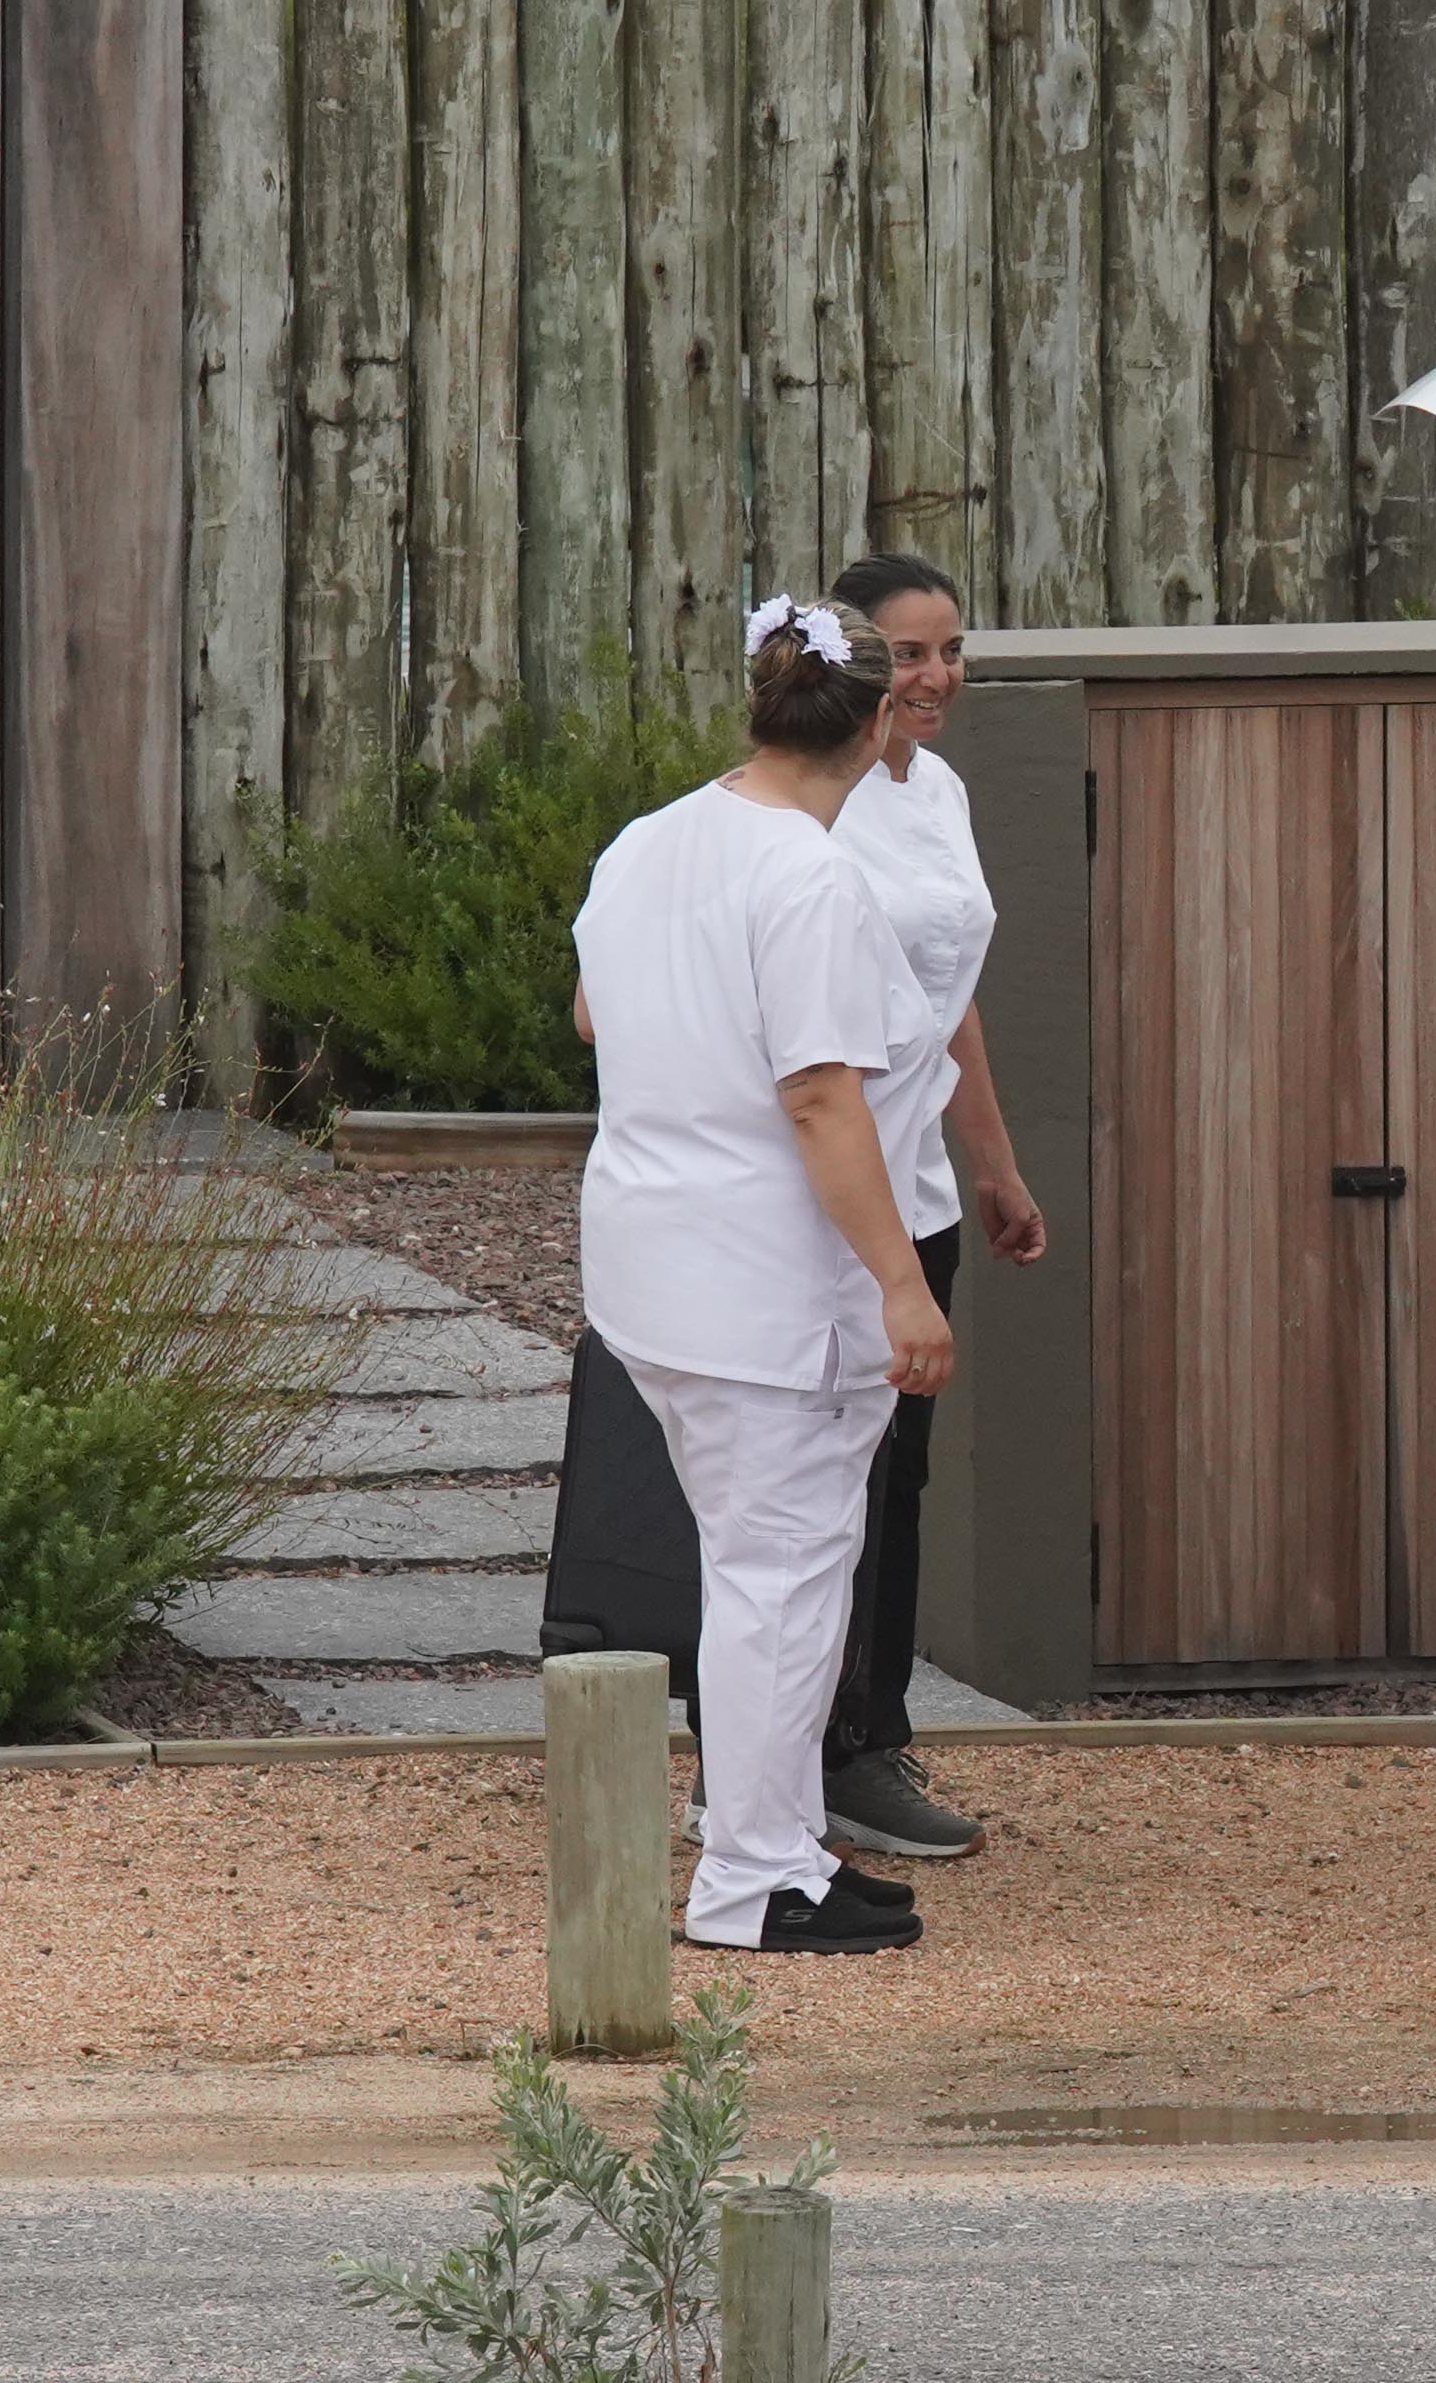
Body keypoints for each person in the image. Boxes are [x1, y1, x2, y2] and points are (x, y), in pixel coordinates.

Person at [572, 594, 955, 1955]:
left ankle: (783, 1845)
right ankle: (750, 1877)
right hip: (764, 1284)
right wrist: (905, 1285)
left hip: (655, 1260)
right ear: (870, 721)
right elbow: (820, 1098)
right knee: (781, 1575)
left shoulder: (649, 842)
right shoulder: (807, 874)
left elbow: (592, 1011)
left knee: (773, 1567)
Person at [812, 551, 1048, 1859]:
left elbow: (950, 994)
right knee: (827, 1477)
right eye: (911, 655)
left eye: (953, 649)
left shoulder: (942, 789)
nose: (938, 676)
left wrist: (996, 1164)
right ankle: (815, 1744)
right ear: (855, 664)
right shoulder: (817, 807)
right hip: (843, 1191)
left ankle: (869, 1729)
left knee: (899, 1482)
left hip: (926, 1185)